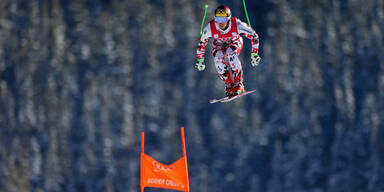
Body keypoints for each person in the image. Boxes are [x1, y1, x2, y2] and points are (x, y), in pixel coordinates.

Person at [196, 5, 261, 97]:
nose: (220, 23)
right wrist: (200, 61)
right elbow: (201, 44)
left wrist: (254, 54)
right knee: (218, 57)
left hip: (234, 42)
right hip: (218, 46)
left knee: (230, 53)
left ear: (228, 19)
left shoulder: (237, 24)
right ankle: (229, 85)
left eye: (223, 20)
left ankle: (238, 84)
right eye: (218, 19)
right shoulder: (210, 27)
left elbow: (254, 36)